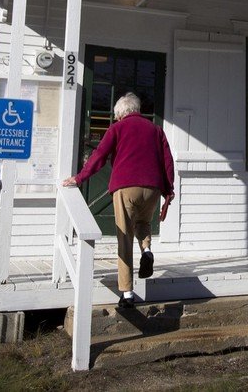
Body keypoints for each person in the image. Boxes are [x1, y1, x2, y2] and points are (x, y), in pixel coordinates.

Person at [62, 92, 175, 309]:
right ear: (137, 110)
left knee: (124, 237)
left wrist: (79, 177)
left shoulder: (117, 128)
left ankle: (127, 294)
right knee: (143, 223)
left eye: (116, 116)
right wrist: (168, 189)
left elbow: (99, 155)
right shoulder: (156, 130)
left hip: (126, 186)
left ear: (121, 113)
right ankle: (147, 251)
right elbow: (167, 159)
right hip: (152, 187)